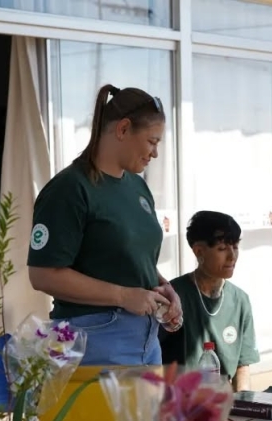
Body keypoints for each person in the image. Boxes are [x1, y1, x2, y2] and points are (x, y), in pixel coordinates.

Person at [27, 84, 182, 366]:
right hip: (93, 340)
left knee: (147, 413)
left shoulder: (137, 186)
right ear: (123, 129)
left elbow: (125, 256)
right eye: (152, 141)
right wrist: (123, 296)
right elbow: (43, 274)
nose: (155, 153)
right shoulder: (70, 188)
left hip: (146, 338)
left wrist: (162, 287)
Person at [159, 211, 259, 391]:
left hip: (223, 406)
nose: (232, 256)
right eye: (222, 249)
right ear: (199, 251)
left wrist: (244, 406)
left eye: (235, 247)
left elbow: (242, 367)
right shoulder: (173, 296)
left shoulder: (240, 301)